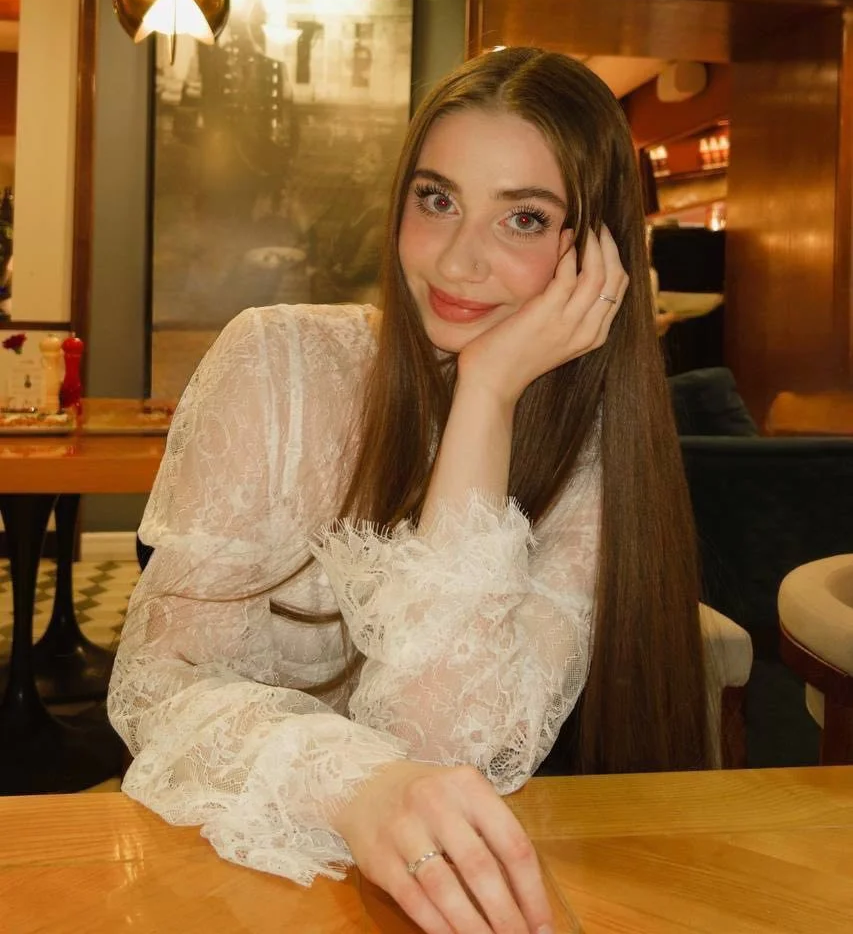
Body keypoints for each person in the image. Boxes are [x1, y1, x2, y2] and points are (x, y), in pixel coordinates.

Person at [109, 48, 709, 934]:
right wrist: (358, 787)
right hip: (231, 877)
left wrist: (486, 395)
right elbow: (156, 686)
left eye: (524, 219)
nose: (459, 262)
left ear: (596, 255)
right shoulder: (278, 362)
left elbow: (444, 744)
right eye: (437, 200)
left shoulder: (592, 456)